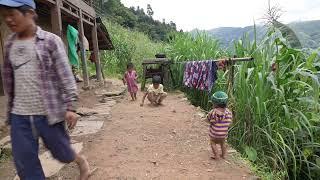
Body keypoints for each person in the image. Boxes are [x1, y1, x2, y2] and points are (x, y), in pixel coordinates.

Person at [0, 1, 90, 179]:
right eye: (4, 16)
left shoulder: (50, 41)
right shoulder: (9, 44)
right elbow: (9, 79)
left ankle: (80, 160)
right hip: (20, 116)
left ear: (30, 13)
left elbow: (65, 75)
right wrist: (9, 114)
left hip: (48, 113)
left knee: (62, 153)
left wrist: (71, 107)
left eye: (12, 14)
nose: (8, 19)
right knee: (25, 164)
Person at [206, 91, 233, 160]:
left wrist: (212, 122)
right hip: (223, 134)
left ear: (214, 104)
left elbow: (207, 120)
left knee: (212, 143)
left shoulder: (212, 112)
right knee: (223, 143)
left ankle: (216, 156)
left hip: (214, 134)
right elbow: (230, 123)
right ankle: (223, 155)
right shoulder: (228, 112)